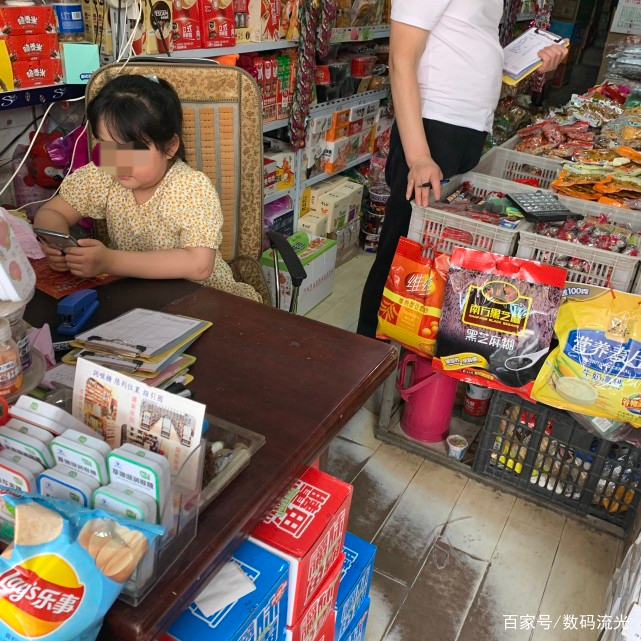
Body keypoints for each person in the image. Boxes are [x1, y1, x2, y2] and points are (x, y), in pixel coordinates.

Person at [357, 0, 567, 337]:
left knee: (439, 258)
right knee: (403, 253)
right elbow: (400, 60)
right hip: (433, 129)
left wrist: (530, 63)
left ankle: (416, 348)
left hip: (464, 128)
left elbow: (464, 44)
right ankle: (368, 355)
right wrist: (419, 156)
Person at [34, 74, 260, 302]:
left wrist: (109, 261)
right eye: (106, 146)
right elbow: (51, 213)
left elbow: (199, 265)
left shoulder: (191, 188)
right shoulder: (103, 175)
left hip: (205, 300)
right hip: (139, 297)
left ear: (170, 147)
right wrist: (60, 246)